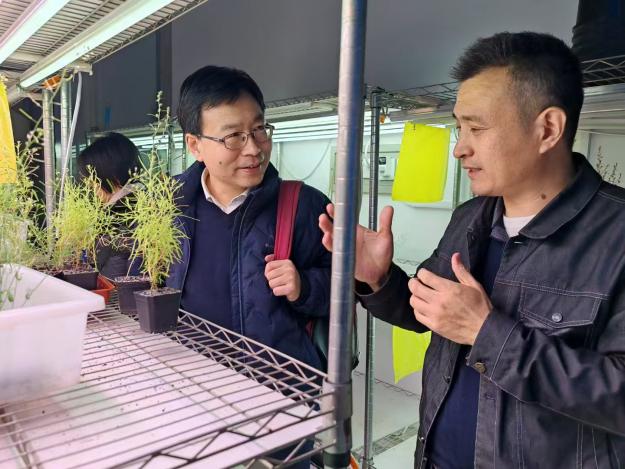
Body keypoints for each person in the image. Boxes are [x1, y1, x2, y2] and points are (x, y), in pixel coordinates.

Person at [320, 31, 625, 468]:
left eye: (477, 128)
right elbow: (431, 314)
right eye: (459, 128)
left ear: (547, 129)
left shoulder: (615, 236)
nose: (459, 148)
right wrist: (380, 280)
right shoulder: (471, 217)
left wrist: (488, 334)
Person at [167, 65, 331, 372]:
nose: (254, 148)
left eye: (259, 130)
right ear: (195, 145)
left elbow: (346, 289)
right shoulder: (168, 206)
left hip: (278, 385)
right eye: (234, 137)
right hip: (188, 379)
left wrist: (304, 286)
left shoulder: (305, 206)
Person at [77, 132, 142, 279]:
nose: (91, 188)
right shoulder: (143, 203)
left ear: (111, 176)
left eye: (92, 181)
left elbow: (114, 277)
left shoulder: (124, 217)